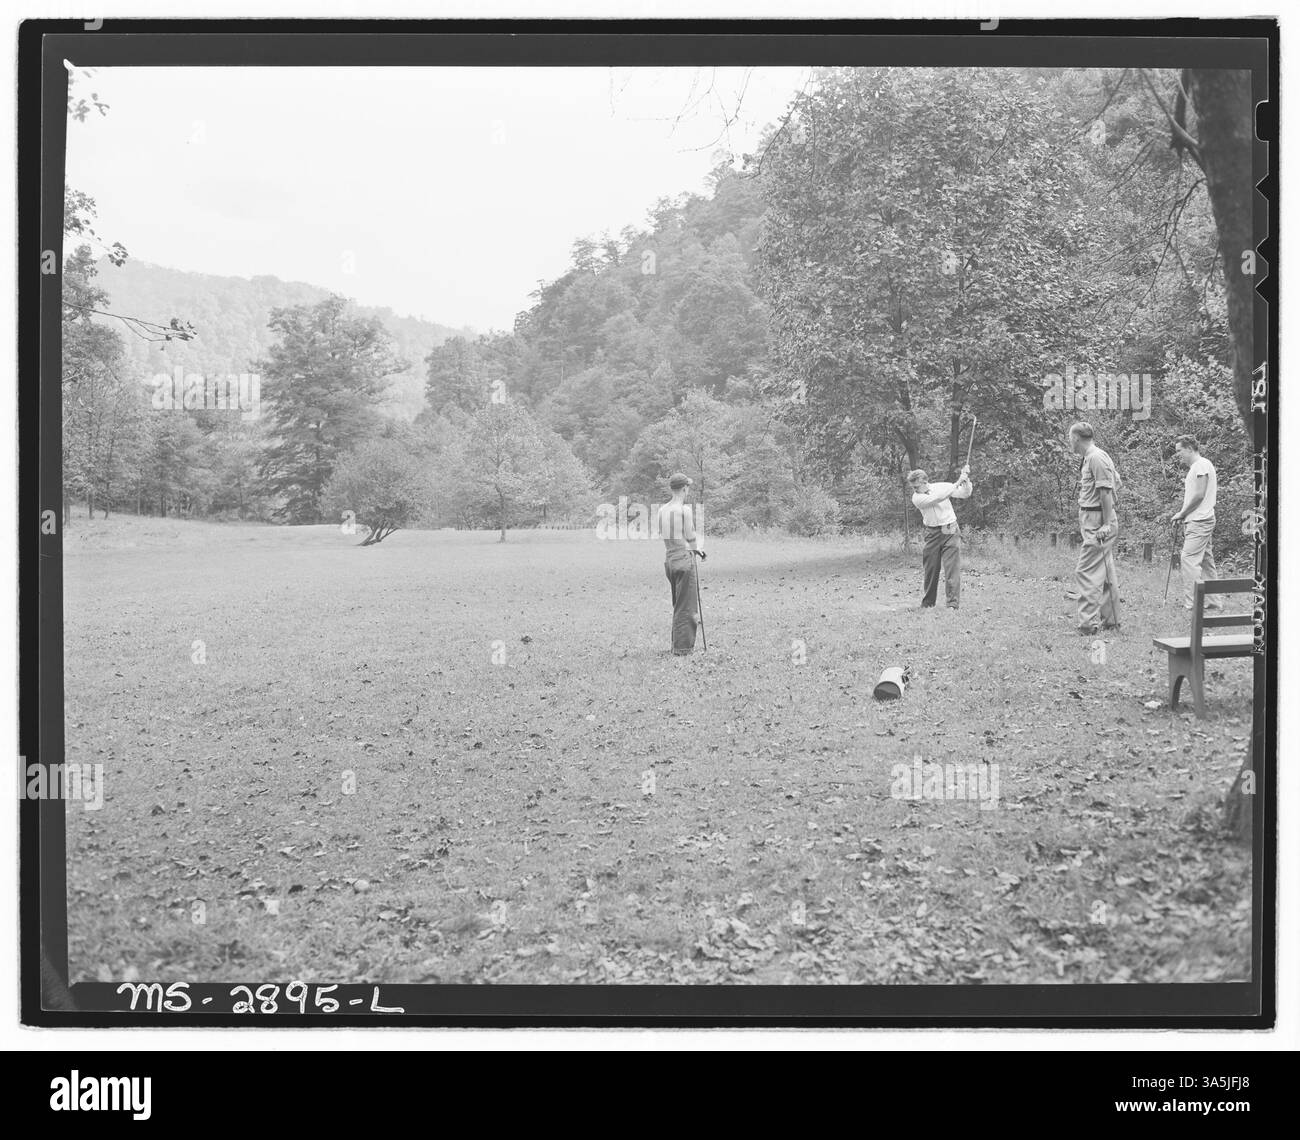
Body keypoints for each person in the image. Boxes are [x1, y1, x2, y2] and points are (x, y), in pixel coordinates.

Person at [1069, 421, 1122, 635]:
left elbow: (1107, 491)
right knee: (1106, 573)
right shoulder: (1092, 457)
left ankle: (1087, 625)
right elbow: (1117, 481)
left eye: (1069, 437)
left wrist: (1107, 523)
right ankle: (1112, 620)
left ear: (1076, 438)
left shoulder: (1096, 457)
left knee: (1086, 572)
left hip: (1098, 521)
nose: (1069, 442)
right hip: (1093, 516)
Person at [906, 464, 972, 609]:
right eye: (913, 487)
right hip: (932, 533)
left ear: (925, 482)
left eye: (917, 486)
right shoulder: (917, 498)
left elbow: (964, 493)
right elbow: (937, 498)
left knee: (951, 569)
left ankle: (952, 605)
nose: (915, 490)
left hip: (950, 529)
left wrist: (965, 480)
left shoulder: (940, 486)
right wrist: (957, 482)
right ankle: (928, 603)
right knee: (931, 568)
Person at [1171, 435, 1223, 612]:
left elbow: (1200, 495)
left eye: (1179, 451)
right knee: (1207, 560)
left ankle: (1192, 603)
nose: (1178, 455)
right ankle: (1214, 601)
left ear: (1190, 449)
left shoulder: (1200, 465)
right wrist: (1183, 515)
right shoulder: (1200, 465)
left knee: (1188, 559)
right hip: (1200, 518)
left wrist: (1182, 513)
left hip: (1200, 520)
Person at [657, 472, 705, 655]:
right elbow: (690, 536)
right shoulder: (684, 510)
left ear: (672, 488)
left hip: (670, 559)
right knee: (687, 607)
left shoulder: (662, 510)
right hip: (684, 559)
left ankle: (677, 645)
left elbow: (666, 534)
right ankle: (682, 649)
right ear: (684, 488)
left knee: (679, 604)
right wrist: (697, 549)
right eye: (688, 488)